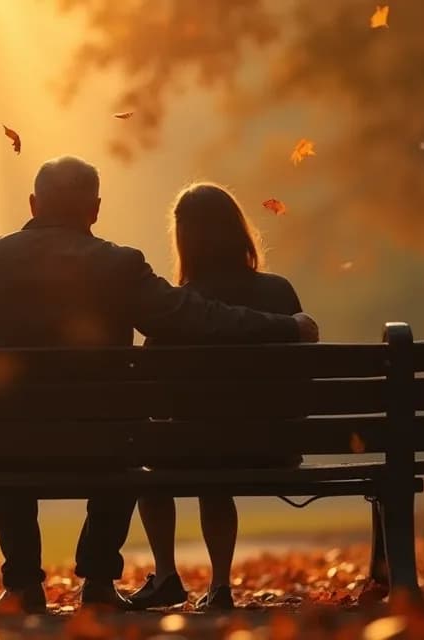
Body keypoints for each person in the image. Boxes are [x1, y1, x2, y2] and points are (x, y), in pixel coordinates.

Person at [0, 158, 319, 614]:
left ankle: (23, 585)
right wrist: (284, 327)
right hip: (101, 444)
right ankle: (96, 581)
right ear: (95, 209)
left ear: (33, 204)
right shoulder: (119, 265)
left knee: (7, 428)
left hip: (1, 445)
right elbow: (195, 316)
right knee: (129, 434)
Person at [124, 182, 306, 612]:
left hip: (194, 450)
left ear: (184, 239)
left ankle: (167, 573)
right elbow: (301, 380)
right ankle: (220, 584)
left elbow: (152, 389)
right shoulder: (279, 292)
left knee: (154, 460)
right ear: (237, 229)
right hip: (272, 449)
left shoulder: (180, 305)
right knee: (212, 455)